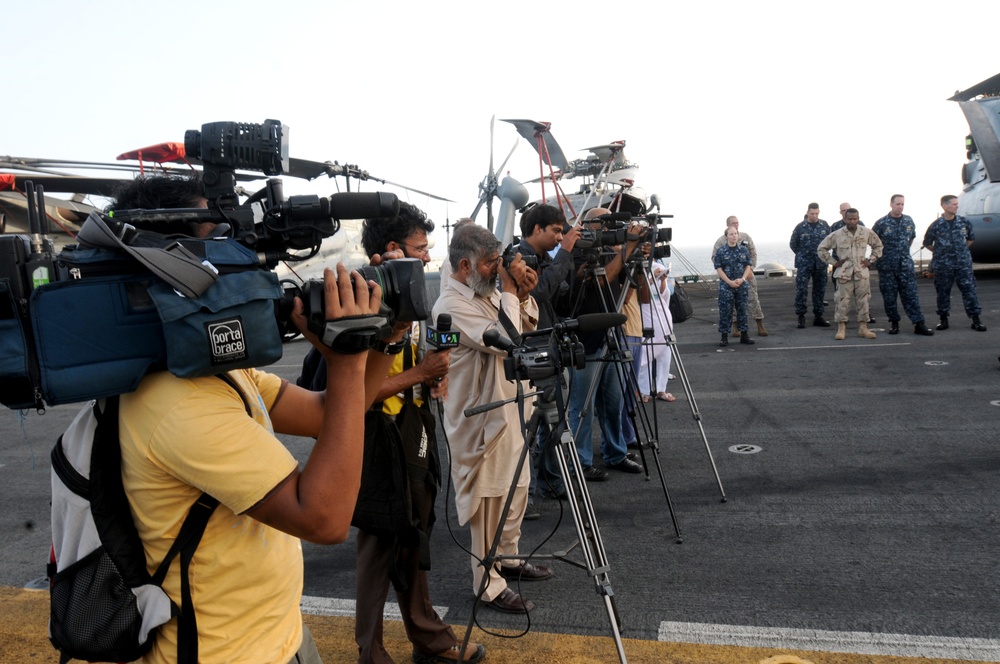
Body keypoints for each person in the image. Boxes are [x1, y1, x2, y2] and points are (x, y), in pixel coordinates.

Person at [111, 175, 402, 663]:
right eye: (223, 246)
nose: (240, 263)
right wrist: (346, 360)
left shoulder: (207, 372)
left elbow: (326, 413)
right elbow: (326, 518)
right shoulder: (176, 403)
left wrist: (383, 338)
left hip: (277, 635)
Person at [297, 203, 484, 664]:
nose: (427, 258)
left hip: (411, 431)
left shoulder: (403, 294)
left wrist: (430, 376)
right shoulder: (359, 303)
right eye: (421, 249)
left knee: (413, 534)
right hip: (376, 437)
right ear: (393, 249)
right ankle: (372, 651)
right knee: (381, 540)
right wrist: (419, 374)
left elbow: (410, 363)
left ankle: (428, 640)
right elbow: (342, 396)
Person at [432, 223, 554, 616]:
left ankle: (509, 558)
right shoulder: (450, 305)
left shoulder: (484, 289)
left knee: (517, 488)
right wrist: (509, 289)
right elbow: (507, 341)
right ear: (465, 265)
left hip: (512, 408)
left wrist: (523, 293)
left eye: (498, 261)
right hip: (481, 419)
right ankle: (487, 583)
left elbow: (525, 323)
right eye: (489, 263)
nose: (497, 268)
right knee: (489, 499)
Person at [566, 208, 645, 480]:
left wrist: (637, 261)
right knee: (583, 407)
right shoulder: (578, 252)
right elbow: (601, 279)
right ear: (590, 225)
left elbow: (629, 294)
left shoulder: (613, 252)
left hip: (612, 336)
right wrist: (627, 249)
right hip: (586, 341)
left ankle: (615, 452)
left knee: (614, 403)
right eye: (606, 222)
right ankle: (582, 460)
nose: (611, 227)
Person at [515, 204, 581, 501]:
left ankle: (549, 481)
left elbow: (560, 298)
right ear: (537, 229)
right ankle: (524, 494)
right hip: (532, 352)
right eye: (555, 230)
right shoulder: (517, 258)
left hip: (549, 349)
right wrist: (565, 253)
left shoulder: (543, 259)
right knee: (529, 427)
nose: (560, 237)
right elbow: (538, 293)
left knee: (553, 424)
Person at [922, 194, 987, 332]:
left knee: (969, 291)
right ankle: (943, 320)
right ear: (944, 206)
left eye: (957, 204)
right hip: (943, 265)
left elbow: (971, 238)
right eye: (954, 204)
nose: (957, 206)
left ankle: (976, 320)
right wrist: (941, 252)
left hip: (963, 264)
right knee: (943, 292)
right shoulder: (936, 225)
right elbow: (927, 243)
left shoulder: (964, 222)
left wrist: (961, 251)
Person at [871, 194, 934, 336]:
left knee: (911, 296)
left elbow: (910, 239)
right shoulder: (881, 223)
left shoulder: (908, 221)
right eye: (898, 204)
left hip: (905, 266)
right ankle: (894, 324)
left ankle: (919, 324)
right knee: (889, 297)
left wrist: (902, 253)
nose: (900, 206)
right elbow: (874, 242)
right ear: (891, 204)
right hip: (887, 267)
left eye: (902, 204)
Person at [817, 208, 883, 340]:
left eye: (855, 219)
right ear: (845, 219)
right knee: (842, 301)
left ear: (858, 218)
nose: (852, 221)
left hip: (861, 272)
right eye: (849, 219)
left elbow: (878, 246)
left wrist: (871, 260)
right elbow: (821, 248)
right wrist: (833, 262)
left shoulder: (866, 232)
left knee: (864, 301)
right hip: (844, 273)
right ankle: (841, 329)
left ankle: (863, 328)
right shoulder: (837, 235)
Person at [711, 216, 767, 336]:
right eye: (733, 223)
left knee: (753, 300)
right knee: (731, 305)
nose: (736, 225)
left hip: (746, 277)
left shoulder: (745, 237)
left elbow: (752, 253)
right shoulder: (721, 242)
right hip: (729, 279)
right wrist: (726, 277)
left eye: (737, 223)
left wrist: (750, 270)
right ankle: (735, 327)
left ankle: (760, 324)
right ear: (727, 225)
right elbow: (715, 259)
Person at [789, 202, 831, 328]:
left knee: (819, 291)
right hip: (804, 264)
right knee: (801, 290)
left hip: (820, 263)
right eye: (812, 213)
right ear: (807, 213)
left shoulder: (824, 226)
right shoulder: (800, 227)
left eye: (817, 213)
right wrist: (802, 255)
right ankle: (801, 316)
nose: (814, 216)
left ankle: (818, 316)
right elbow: (793, 244)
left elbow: (829, 242)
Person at [639, 258, 675, 400]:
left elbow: (665, 295)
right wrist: (651, 279)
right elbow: (641, 296)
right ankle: (644, 390)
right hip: (646, 309)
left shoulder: (659, 265)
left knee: (665, 350)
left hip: (661, 310)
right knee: (646, 350)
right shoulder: (638, 269)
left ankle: (661, 389)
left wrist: (663, 280)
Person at [714, 226, 755, 346]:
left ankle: (744, 335)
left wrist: (742, 279)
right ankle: (724, 337)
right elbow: (719, 269)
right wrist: (729, 282)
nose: (734, 236)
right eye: (731, 234)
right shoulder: (721, 251)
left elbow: (748, 265)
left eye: (736, 233)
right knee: (725, 311)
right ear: (726, 236)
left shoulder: (743, 250)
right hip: (726, 286)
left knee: (742, 310)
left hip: (741, 285)